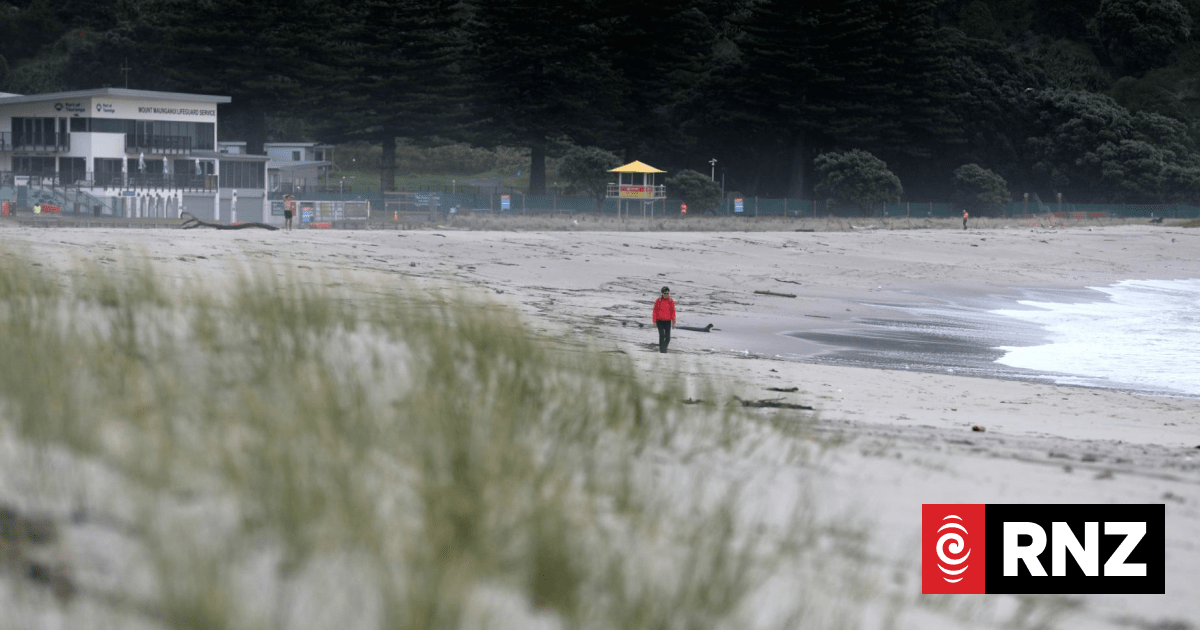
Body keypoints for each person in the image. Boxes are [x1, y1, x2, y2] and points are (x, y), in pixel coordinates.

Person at [652, 286, 676, 353]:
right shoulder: (658, 300)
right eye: (665, 293)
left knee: (668, 338)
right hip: (659, 321)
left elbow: (673, 312)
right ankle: (662, 351)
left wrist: (674, 322)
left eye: (668, 293)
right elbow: (655, 311)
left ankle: (664, 349)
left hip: (668, 321)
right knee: (662, 335)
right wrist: (654, 321)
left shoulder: (671, 301)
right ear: (662, 293)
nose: (666, 295)